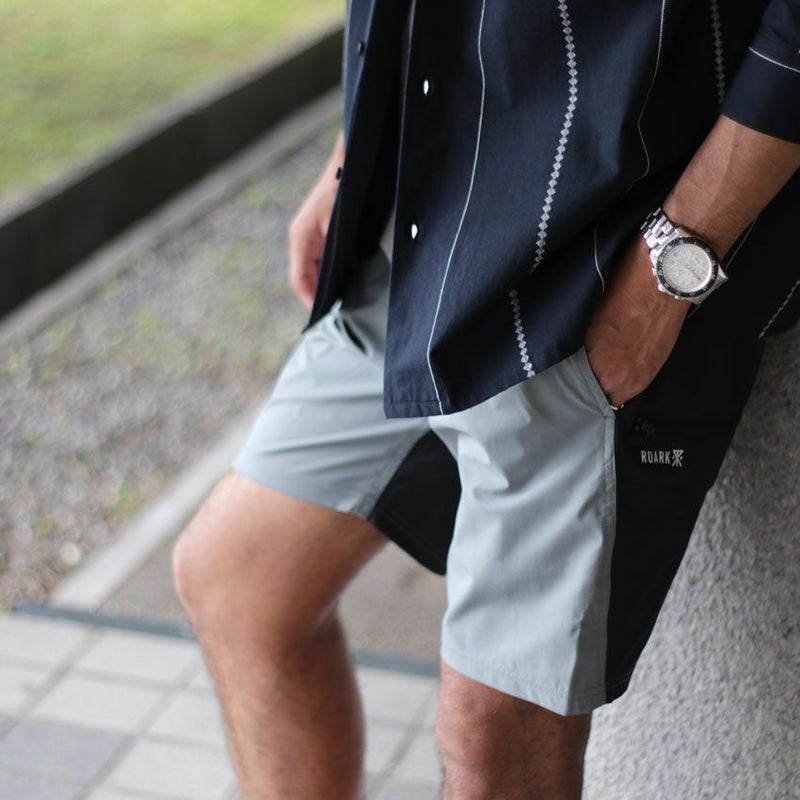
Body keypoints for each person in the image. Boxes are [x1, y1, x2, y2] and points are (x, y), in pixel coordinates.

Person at [173, 1, 800, 797]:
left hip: (590, 267)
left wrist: (673, 264)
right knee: (234, 580)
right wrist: (350, 153)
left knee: (492, 735)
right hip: (419, 228)